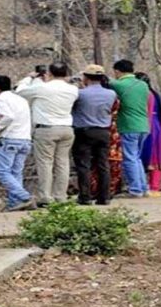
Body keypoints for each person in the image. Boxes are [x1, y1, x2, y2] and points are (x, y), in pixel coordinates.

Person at [16, 62, 79, 206]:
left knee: (45, 163)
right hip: (67, 128)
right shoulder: (73, 90)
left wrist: (30, 78)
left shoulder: (42, 87)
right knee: (63, 163)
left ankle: (45, 196)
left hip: (46, 129)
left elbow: (20, 91)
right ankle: (60, 195)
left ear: (49, 73)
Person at [71, 65, 117, 206]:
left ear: (85, 77)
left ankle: (85, 196)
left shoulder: (80, 94)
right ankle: (104, 196)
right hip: (103, 131)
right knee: (103, 164)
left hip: (84, 131)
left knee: (83, 164)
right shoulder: (111, 94)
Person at [0, 75, 34, 211]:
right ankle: (15, 202)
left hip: (9, 138)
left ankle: (25, 196)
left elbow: (8, 116)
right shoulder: (21, 99)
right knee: (16, 172)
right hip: (25, 138)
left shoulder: (0, 99)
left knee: (3, 172)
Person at [110, 60, 151, 198]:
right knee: (137, 158)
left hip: (128, 125)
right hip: (144, 125)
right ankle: (143, 187)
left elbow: (106, 82)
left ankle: (135, 190)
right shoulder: (143, 85)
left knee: (129, 158)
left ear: (117, 71)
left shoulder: (118, 84)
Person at [135, 72, 161, 196]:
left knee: (152, 156)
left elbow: (147, 112)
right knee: (156, 156)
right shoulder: (154, 94)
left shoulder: (146, 94)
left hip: (150, 125)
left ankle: (153, 187)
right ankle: (154, 186)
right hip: (157, 125)